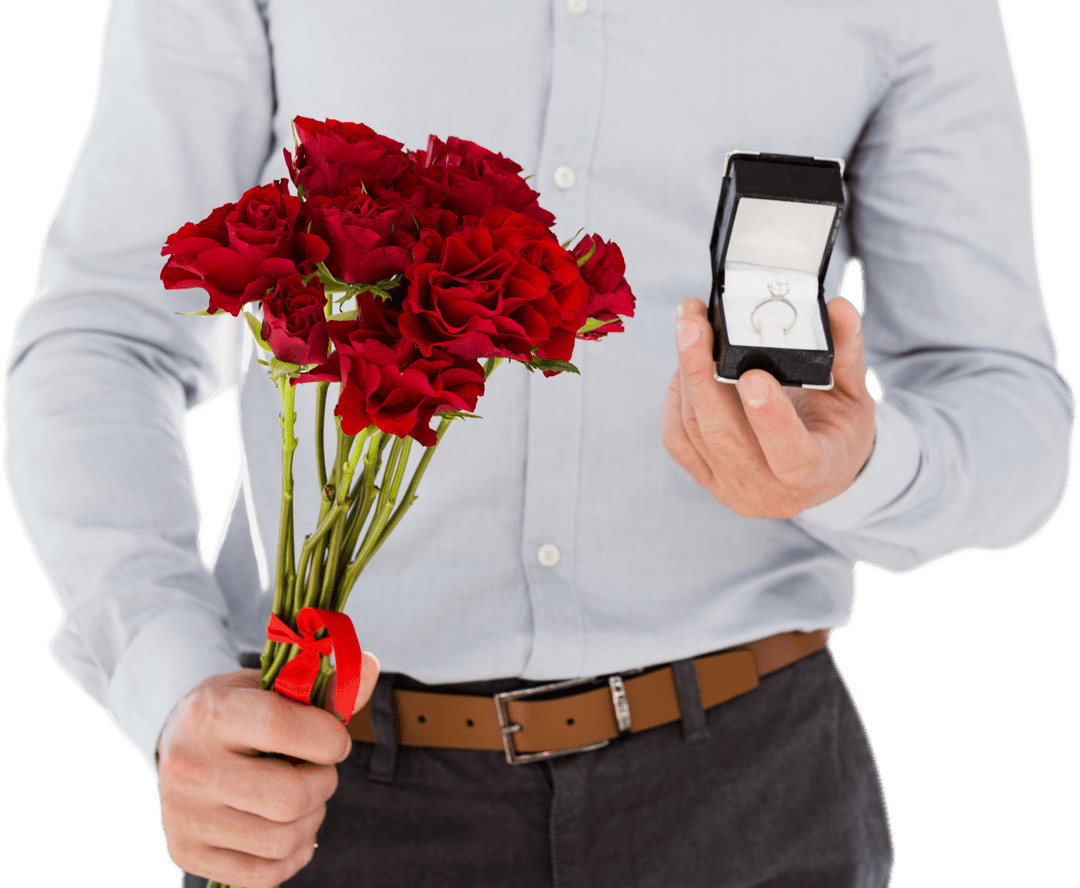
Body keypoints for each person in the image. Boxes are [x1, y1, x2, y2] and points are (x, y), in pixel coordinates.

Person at [3, 1, 1075, 887]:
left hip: (752, 804)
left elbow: (1010, 406)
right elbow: (102, 337)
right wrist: (170, 682)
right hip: (329, 799)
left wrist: (858, 470)